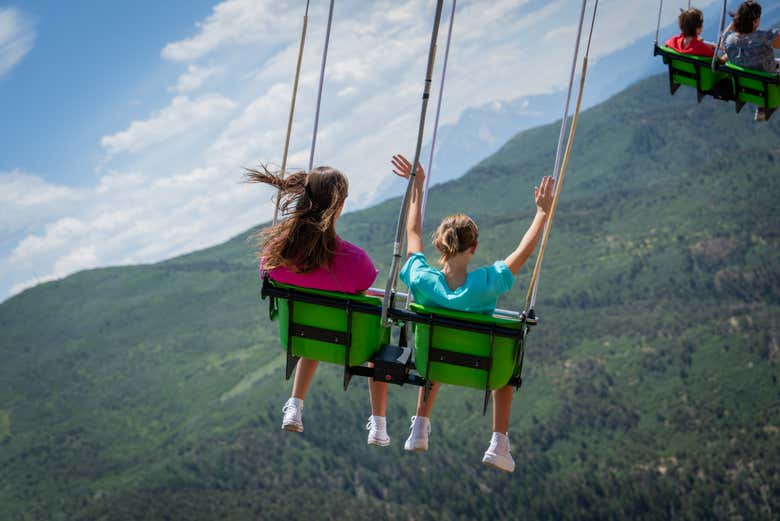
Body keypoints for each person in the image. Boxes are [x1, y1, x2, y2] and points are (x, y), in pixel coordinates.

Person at [389, 154, 554, 472]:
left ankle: (420, 426)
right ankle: (499, 443)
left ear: (439, 245)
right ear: (474, 248)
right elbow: (523, 251)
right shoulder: (485, 284)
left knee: (437, 347)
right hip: (484, 370)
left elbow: (412, 233)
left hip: (433, 362)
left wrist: (417, 188)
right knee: (506, 370)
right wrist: (542, 214)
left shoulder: (422, 279)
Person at [246, 166, 388, 444]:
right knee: (377, 321)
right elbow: (361, 286)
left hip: (301, 335)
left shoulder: (277, 253)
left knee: (314, 320)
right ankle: (379, 424)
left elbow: (267, 272)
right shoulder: (356, 262)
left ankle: (295, 405)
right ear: (340, 205)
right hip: (351, 345)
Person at [721, 1, 780, 120]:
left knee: (758, 68)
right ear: (756, 21)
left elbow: (723, 41)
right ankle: (762, 107)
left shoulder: (729, 41)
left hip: (746, 85)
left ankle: (761, 108)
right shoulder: (764, 38)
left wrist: (735, 22)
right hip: (770, 82)